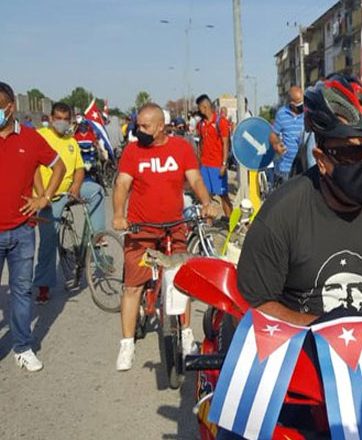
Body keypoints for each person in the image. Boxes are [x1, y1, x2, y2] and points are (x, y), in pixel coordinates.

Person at [236, 74, 362, 325]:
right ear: (322, 159)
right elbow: (253, 305)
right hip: (302, 358)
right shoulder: (280, 215)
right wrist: (326, 331)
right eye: (351, 152)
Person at [112, 103, 219, 371]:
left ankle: (185, 334)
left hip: (174, 227)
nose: (140, 130)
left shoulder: (181, 148)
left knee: (182, 282)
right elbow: (122, 183)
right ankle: (127, 344)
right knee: (133, 286)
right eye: (138, 126)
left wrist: (207, 202)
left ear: (161, 126)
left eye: (145, 126)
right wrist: (118, 213)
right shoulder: (132, 151)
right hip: (141, 229)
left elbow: (194, 180)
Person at [0, 81, 66, 372]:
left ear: (10, 107)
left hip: (23, 230)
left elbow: (59, 166)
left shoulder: (31, 138)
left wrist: (44, 198)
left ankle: (23, 347)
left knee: (22, 290)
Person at [33, 102, 107, 303]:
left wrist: (76, 185)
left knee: (97, 191)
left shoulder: (71, 140)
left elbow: (79, 168)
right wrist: (43, 196)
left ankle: (96, 238)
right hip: (48, 196)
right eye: (58, 118)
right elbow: (31, 169)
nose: (62, 122)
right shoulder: (39, 136)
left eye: (66, 119)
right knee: (48, 240)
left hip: (69, 190)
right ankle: (43, 285)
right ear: (51, 117)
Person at [195, 94, 232, 217]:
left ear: (205, 107)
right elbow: (200, 142)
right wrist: (198, 162)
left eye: (200, 107)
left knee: (223, 195)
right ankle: (208, 224)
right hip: (205, 165)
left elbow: (225, 144)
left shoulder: (221, 122)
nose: (199, 110)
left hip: (217, 165)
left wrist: (224, 164)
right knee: (206, 195)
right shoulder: (200, 124)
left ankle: (230, 221)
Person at [269, 85, 305, 186]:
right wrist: (276, 144)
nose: (302, 105)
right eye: (299, 103)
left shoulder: (308, 113)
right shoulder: (281, 114)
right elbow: (273, 135)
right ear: (292, 104)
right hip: (286, 168)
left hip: (304, 168)